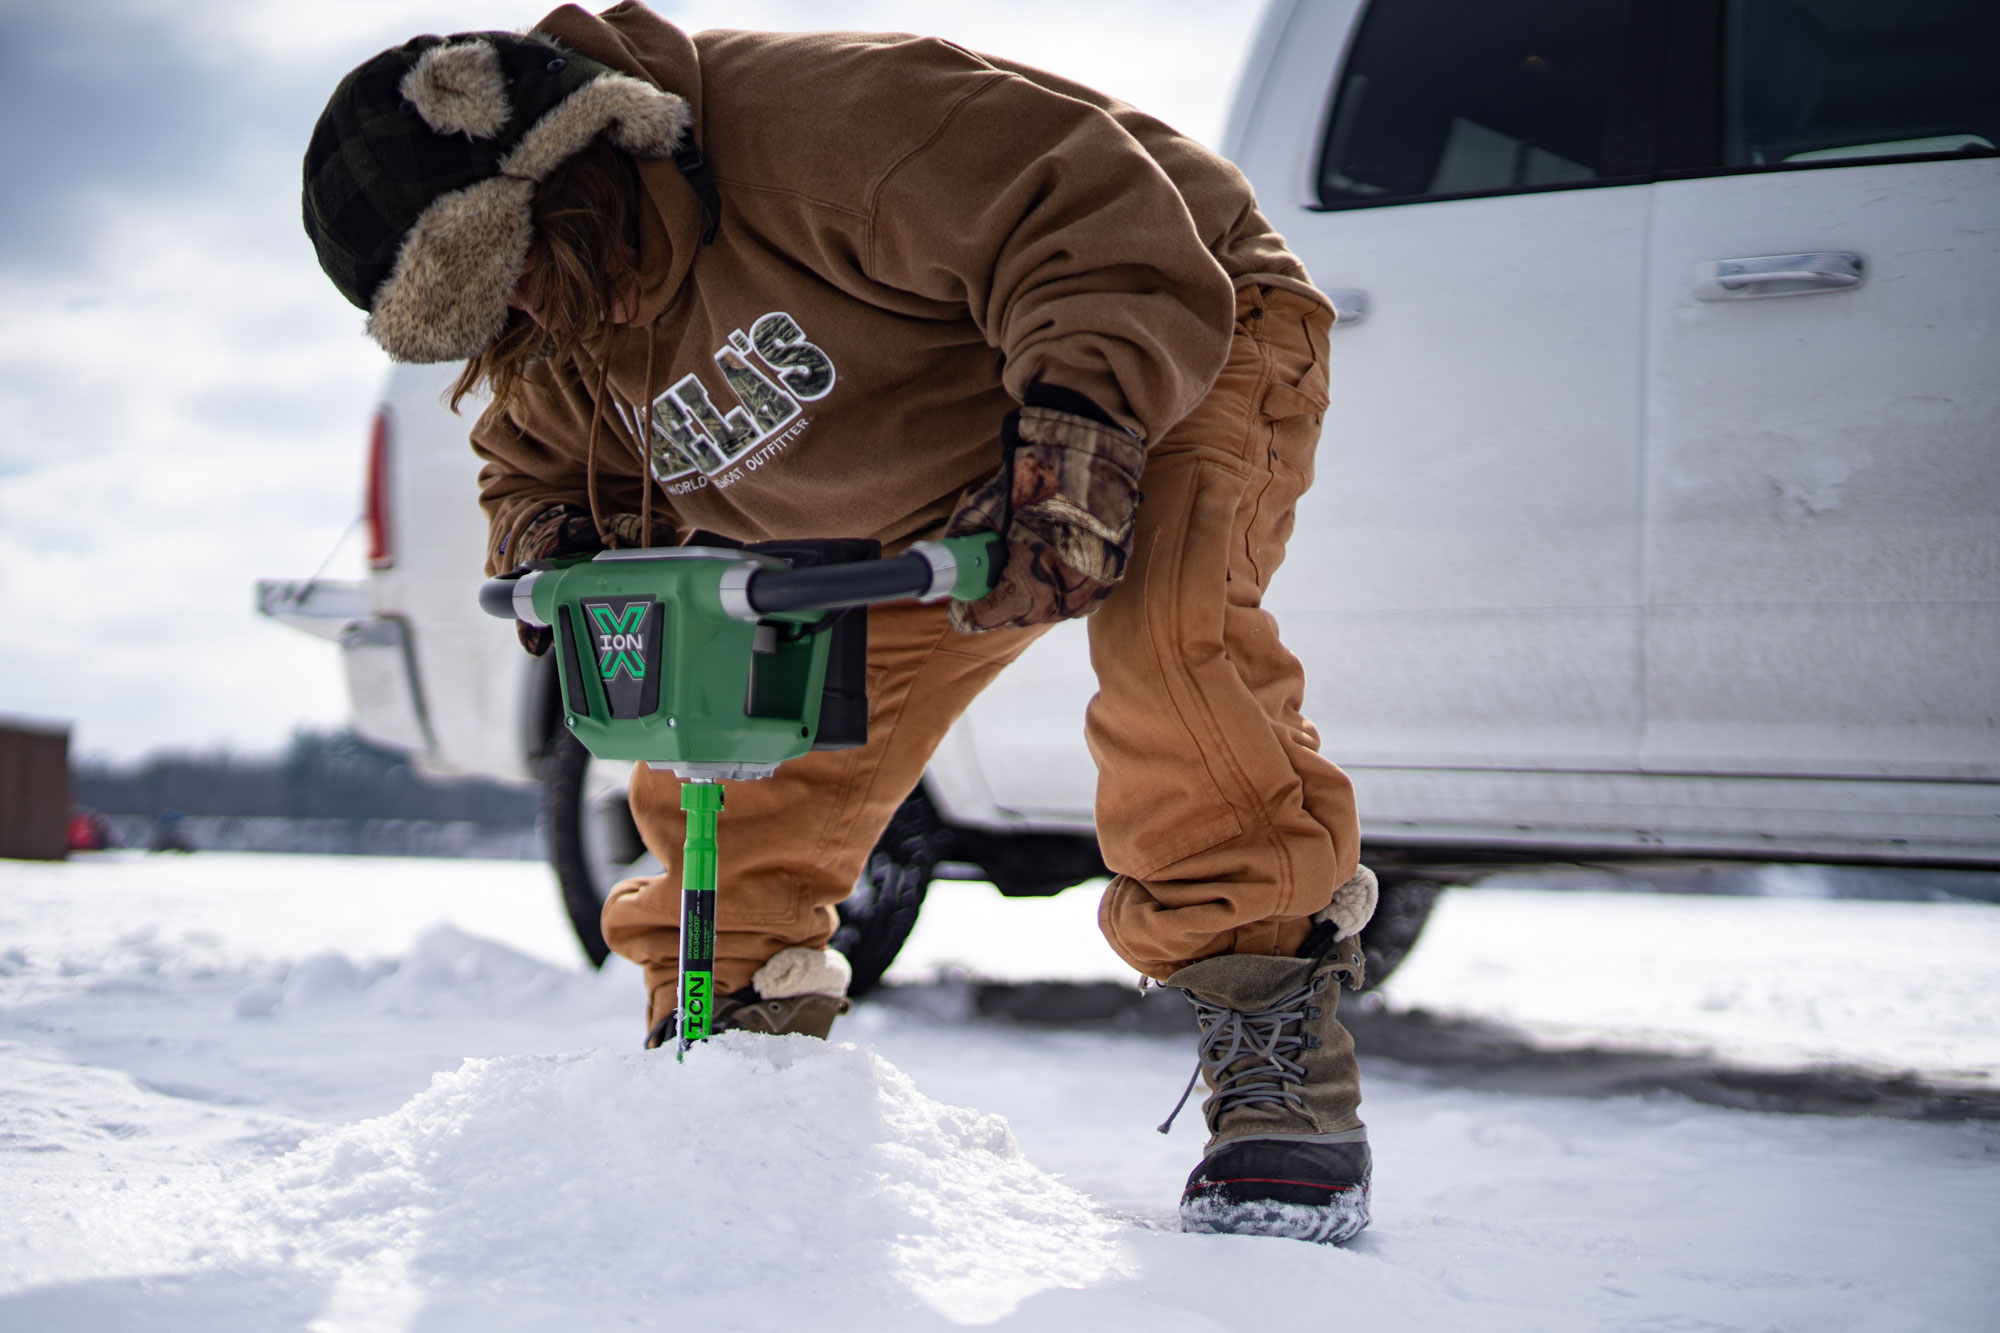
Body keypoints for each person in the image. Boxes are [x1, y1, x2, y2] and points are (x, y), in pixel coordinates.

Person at [303, 2, 1380, 1244]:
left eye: (525, 272)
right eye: (499, 311)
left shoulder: (827, 121)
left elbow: (1093, 220)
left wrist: (1076, 442)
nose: (533, 319)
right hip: (924, 447)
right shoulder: (566, 322)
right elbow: (531, 458)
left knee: (1169, 656)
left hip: (1170, 326)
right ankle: (731, 1073)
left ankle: (1274, 1066)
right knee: (755, 759)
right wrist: (551, 538)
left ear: (574, 170)